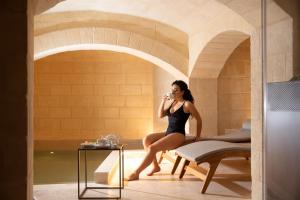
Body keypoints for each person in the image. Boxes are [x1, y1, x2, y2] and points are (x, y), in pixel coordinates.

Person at [127, 80, 202, 181]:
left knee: (152, 148)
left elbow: (199, 119)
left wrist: (198, 136)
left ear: (182, 92)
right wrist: (163, 101)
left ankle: (136, 173)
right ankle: (155, 166)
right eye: (172, 90)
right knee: (146, 139)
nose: (173, 92)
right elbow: (160, 115)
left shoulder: (187, 104)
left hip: (178, 135)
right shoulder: (173, 102)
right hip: (168, 132)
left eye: (176, 90)